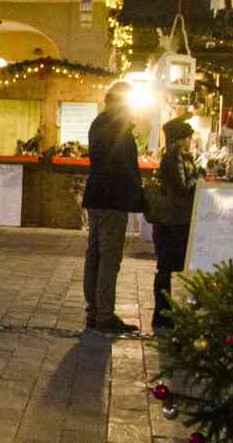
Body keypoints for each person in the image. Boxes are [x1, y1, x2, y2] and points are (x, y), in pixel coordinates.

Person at [82, 81, 146, 334]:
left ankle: (94, 312)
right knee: (108, 257)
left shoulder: (99, 123)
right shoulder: (116, 126)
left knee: (95, 255)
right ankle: (104, 315)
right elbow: (123, 167)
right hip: (111, 200)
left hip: (97, 196)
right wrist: (136, 196)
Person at [149, 117, 201, 330]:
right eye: (189, 137)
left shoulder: (175, 156)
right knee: (166, 266)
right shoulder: (175, 157)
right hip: (174, 219)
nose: (191, 141)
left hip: (173, 219)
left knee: (166, 266)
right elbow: (182, 185)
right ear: (181, 139)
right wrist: (200, 177)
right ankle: (163, 315)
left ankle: (164, 313)